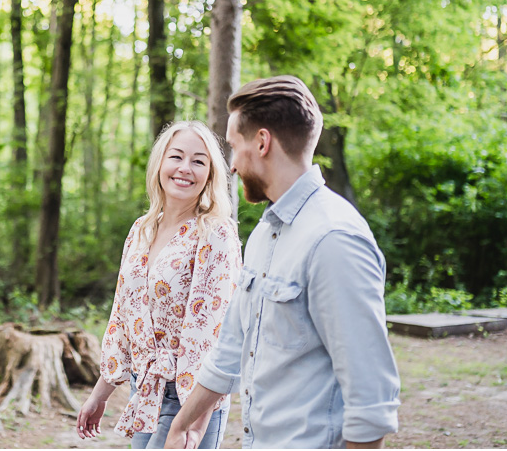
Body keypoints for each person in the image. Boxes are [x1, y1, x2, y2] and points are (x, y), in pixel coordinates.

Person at [165, 76, 401, 449]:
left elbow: (370, 400)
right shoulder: (265, 232)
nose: (230, 165)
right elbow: (230, 348)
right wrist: (183, 423)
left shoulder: (334, 239)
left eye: (233, 147)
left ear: (261, 142)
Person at [76, 120, 243, 449]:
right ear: (160, 163)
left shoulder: (215, 233)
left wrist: (195, 424)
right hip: (145, 390)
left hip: (190, 398)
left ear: (211, 174)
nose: (185, 168)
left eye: (198, 161)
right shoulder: (141, 230)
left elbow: (214, 332)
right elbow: (123, 319)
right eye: (176, 157)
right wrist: (101, 395)